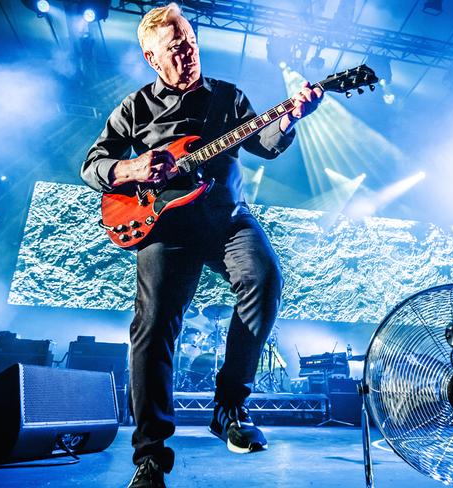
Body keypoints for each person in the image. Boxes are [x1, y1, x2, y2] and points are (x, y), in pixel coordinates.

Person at [80, 4, 322, 487]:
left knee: (264, 279)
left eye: (190, 41)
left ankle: (229, 407)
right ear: (153, 58)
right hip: (165, 227)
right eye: (176, 48)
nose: (189, 52)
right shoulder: (136, 107)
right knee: (151, 326)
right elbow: (94, 164)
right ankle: (150, 458)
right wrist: (131, 169)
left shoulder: (227, 98)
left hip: (227, 219)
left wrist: (290, 118)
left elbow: (264, 143)